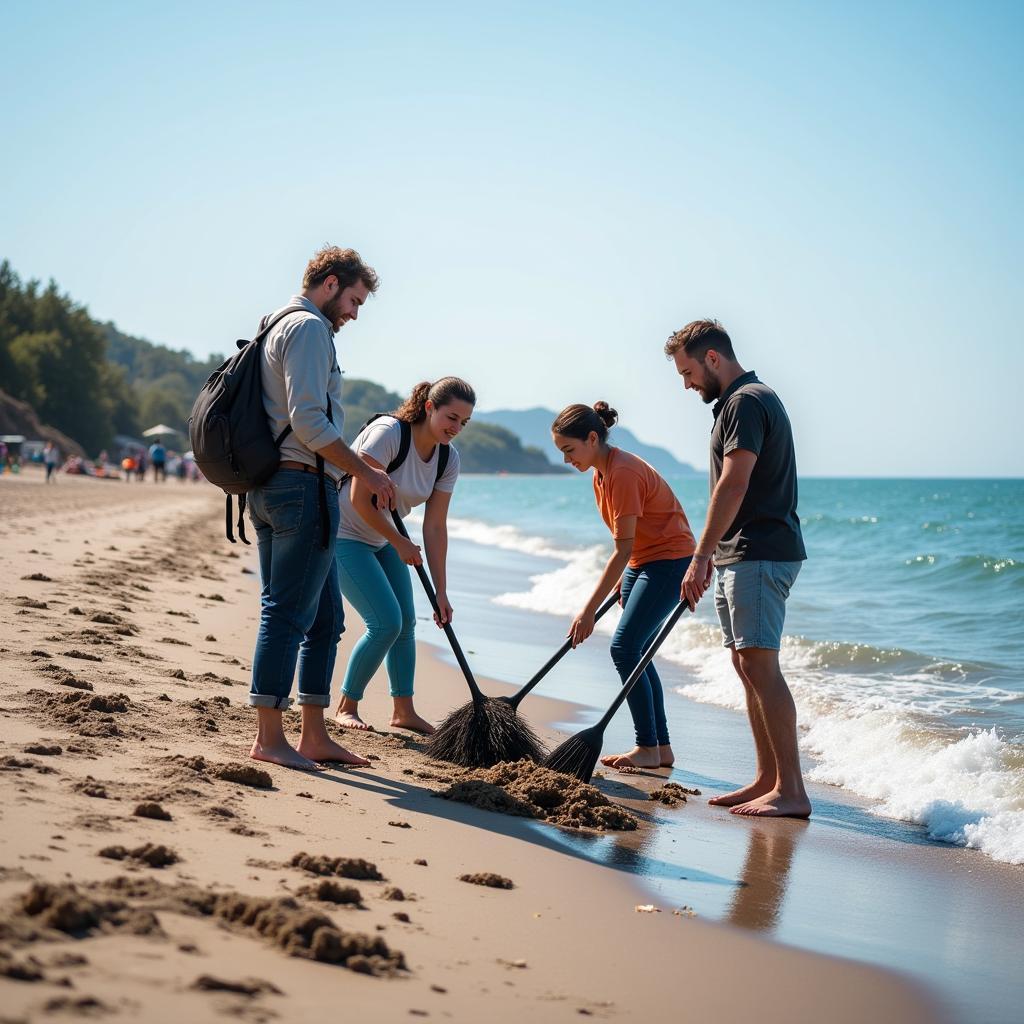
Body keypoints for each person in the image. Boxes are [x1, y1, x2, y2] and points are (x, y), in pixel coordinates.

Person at [247, 245, 396, 772]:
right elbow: (310, 424)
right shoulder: (308, 329)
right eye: (354, 300)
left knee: (327, 617)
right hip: (300, 488)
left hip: (276, 487)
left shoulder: (276, 323)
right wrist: (366, 470)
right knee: (287, 613)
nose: (355, 313)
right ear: (330, 284)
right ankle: (270, 735)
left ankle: (313, 734)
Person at [666, 319, 810, 818]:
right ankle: (768, 779)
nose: (686, 384)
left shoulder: (747, 401)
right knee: (744, 664)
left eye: (687, 372)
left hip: (760, 550)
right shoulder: (736, 402)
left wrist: (700, 555)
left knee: (760, 665)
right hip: (741, 551)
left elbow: (734, 483)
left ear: (712, 359)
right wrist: (713, 552)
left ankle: (792, 791)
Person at [551, 402, 696, 769]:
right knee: (639, 651)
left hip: (669, 561)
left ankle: (647, 746)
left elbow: (622, 548)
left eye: (570, 450)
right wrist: (623, 580)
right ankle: (661, 749)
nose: (567, 460)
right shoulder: (601, 474)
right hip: (643, 561)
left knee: (625, 649)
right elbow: (629, 547)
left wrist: (587, 611)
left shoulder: (624, 472)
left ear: (593, 438)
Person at [333, 378, 474, 736]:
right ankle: (346, 706)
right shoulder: (389, 433)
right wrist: (398, 542)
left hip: (385, 540)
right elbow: (358, 500)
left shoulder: (447, 458)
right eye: (451, 417)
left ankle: (403, 711)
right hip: (344, 534)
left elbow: (435, 527)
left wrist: (441, 592)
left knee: (406, 623)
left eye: (463, 422)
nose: (455, 428)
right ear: (429, 407)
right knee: (385, 623)